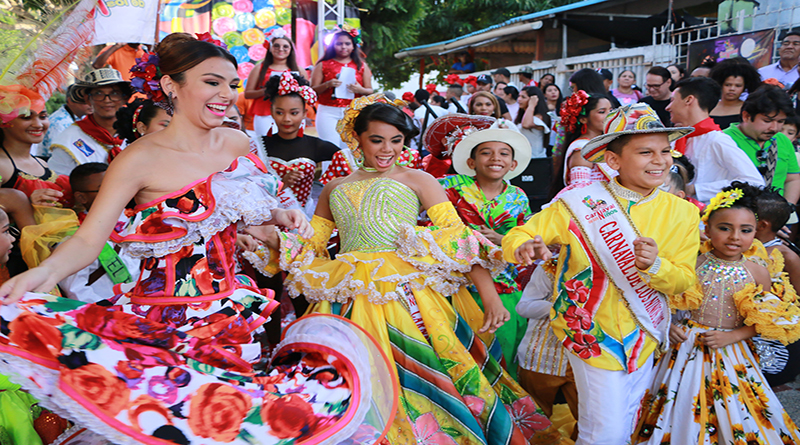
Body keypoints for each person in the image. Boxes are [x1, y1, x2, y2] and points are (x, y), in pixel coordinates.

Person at [0, 32, 395, 445]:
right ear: (172, 85)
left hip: (232, 314)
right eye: (212, 82)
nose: (226, 94)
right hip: (162, 323)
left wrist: (282, 214)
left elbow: (251, 213)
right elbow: (89, 239)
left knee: (235, 427)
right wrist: (41, 274)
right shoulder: (138, 158)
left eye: (231, 84)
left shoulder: (238, 142)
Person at [246, 96, 564, 445]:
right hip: (347, 292)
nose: (387, 149)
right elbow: (313, 245)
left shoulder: (420, 180)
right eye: (377, 140)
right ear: (357, 138)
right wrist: (272, 239)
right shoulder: (335, 188)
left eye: (396, 140)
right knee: (351, 374)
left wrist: (490, 296)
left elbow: (458, 241)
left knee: (429, 370)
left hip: (410, 294)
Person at [505, 103, 700, 445]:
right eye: (645, 152)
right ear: (613, 161)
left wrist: (656, 266)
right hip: (590, 334)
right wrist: (523, 247)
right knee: (604, 432)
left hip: (645, 333)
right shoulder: (578, 202)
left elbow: (684, 280)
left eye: (665, 151)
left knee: (626, 423)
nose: (660, 160)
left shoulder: (683, 213)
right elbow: (521, 233)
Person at [634, 183, 800, 445]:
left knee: (735, 405)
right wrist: (668, 325)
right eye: (725, 228)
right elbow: (665, 301)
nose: (735, 237)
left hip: (732, 351)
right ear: (707, 228)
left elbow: (765, 320)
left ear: (756, 232)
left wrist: (733, 335)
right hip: (685, 347)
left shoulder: (758, 271)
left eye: (745, 230)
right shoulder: (692, 262)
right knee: (681, 401)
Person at [439, 117, 533, 378]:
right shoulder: (449, 188)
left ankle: (506, 409)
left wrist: (501, 238)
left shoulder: (518, 197)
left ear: (513, 164)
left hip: (506, 286)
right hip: (457, 285)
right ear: (471, 163)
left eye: (504, 153)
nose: (496, 158)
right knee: (459, 356)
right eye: (486, 152)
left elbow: (525, 236)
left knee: (504, 351)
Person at [667, 77, 765, 203]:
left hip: (703, 217)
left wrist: (696, 189)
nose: (668, 107)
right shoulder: (677, 138)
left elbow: (754, 182)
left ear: (689, 100)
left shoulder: (717, 140)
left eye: (672, 100)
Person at [254, 72, 338, 217]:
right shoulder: (258, 146)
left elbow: (352, 162)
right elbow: (247, 189)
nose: (287, 119)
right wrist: (281, 184)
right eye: (280, 113)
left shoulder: (316, 146)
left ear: (304, 113)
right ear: (271, 112)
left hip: (303, 221)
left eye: (294, 113)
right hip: (267, 222)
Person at [58, 162, 140, 302]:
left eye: (118, 185)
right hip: (110, 312)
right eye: (105, 188)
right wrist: (111, 312)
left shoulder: (139, 221)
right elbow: (76, 290)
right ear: (82, 198)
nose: (116, 192)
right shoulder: (75, 236)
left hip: (148, 303)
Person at [724, 85, 800, 203]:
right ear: (746, 116)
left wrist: (788, 206)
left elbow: (792, 179)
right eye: (767, 121)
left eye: (780, 121)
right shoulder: (724, 140)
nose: (774, 128)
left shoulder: (782, 140)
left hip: (777, 213)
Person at [48, 68, 132, 175]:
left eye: (114, 93)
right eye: (98, 93)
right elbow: (59, 182)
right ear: (88, 99)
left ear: (124, 98)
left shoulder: (138, 133)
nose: (107, 100)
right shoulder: (69, 140)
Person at [0, 85, 72, 207]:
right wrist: (26, 205)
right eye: (26, 117)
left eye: (43, 116)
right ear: (3, 123)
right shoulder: (2, 166)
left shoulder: (42, 163)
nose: (38, 124)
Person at [311, 29, 373, 148]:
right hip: (328, 111)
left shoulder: (361, 65)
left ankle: (349, 168)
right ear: (333, 46)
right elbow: (312, 90)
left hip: (353, 111)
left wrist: (360, 90)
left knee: (350, 149)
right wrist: (327, 84)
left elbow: (370, 90)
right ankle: (328, 167)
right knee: (329, 148)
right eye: (339, 44)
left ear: (353, 46)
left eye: (347, 43)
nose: (343, 47)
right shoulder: (323, 64)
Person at [551, 91, 614, 198]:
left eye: (611, 110)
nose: (610, 116)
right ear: (583, 119)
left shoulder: (605, 143)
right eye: (602, 112)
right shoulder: (581, 150)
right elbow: (580, 194)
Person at [244, 29, 306, 137]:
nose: (281, 49)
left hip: (293, 114)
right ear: (270, 48)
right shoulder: (259, 68)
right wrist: (268, 90)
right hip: (265, 114)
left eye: (285, 46)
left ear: (291, 49)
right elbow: (248, 94)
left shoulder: (299, 70)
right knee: (266, 147)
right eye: (276, 46)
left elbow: (307, 92)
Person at [38, 85, 93, 159]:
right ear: (70, 101)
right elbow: (57, 154)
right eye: (85, 102)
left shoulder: (82, 117)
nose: (90, 105)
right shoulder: (59, 123)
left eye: (92, 100)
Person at [709, 57, 762, 129]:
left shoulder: (750, 109)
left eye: (738, 86)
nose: (732, 89)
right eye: (728, 85)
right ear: (720, 84)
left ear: (744, 87)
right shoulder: (709, 107)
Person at [516, 86, 551, 158]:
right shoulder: (523, 116)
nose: (519, 99)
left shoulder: (539, 117)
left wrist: (532, 105)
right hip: (523, 157)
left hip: (535, 158)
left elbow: (526, 124)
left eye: (523, 97)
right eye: (519, 96)